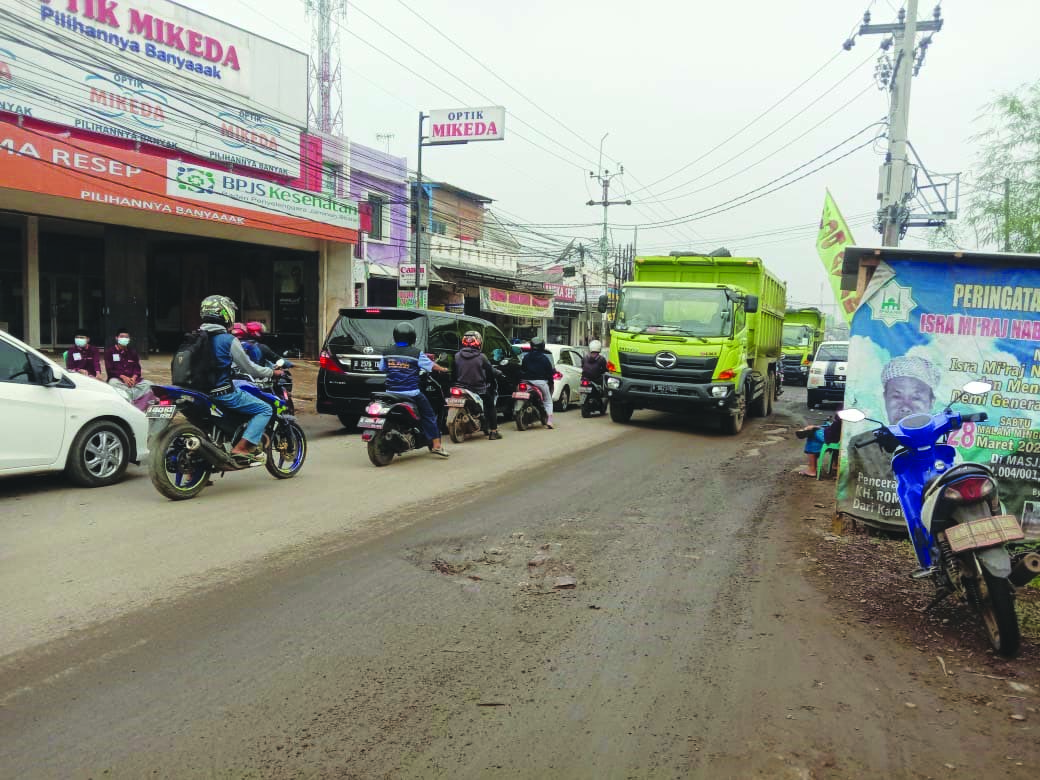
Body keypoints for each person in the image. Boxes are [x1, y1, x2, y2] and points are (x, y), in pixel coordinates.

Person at [199, 295, 284, 464]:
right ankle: (242, 448)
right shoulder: (228, 339)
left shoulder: (195, 337)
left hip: (199, 392)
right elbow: (249, 368)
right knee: (264, 409)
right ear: (225, 314)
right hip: (222, 393)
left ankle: (195, 472)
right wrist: (271, 373)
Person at [378, 321, 451, 457]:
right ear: (412, 337)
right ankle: (436, 445)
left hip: (390, 392)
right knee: (429, 415)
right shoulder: (416, 353)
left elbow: (381, 368)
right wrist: (443, 369)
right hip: (411, 393)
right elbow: (431, 366)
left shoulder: (387, 352)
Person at [453, 330, 502, 440]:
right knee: (490, 405)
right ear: (478, 342)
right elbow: (489, 372)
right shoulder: (481, 357)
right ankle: (494, 431)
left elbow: (454, 374)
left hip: (460, 387)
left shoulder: (457, 356)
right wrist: (494, 377)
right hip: (478, 388)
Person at [104, 329, 153, 407]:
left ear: (129, 339)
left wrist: (133, 378)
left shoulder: (132, 352)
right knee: (112, 383)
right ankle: (133, 400)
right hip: (119, 381)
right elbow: (110, 369)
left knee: (149, 384)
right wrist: (123, 377)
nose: (124, 338)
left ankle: (133, 400)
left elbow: (137, 368)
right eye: (122, 336)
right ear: (116, 338)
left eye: (126, 337)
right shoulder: (110, 351)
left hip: (133, 382)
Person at [521, 335, 556, 429]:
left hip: (526, 382)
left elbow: (522, 369)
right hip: (540, 383)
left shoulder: (526, 357)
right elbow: (549, 373)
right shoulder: (544, 359)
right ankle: (549, 421)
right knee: (548, 401)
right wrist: (551, 382)